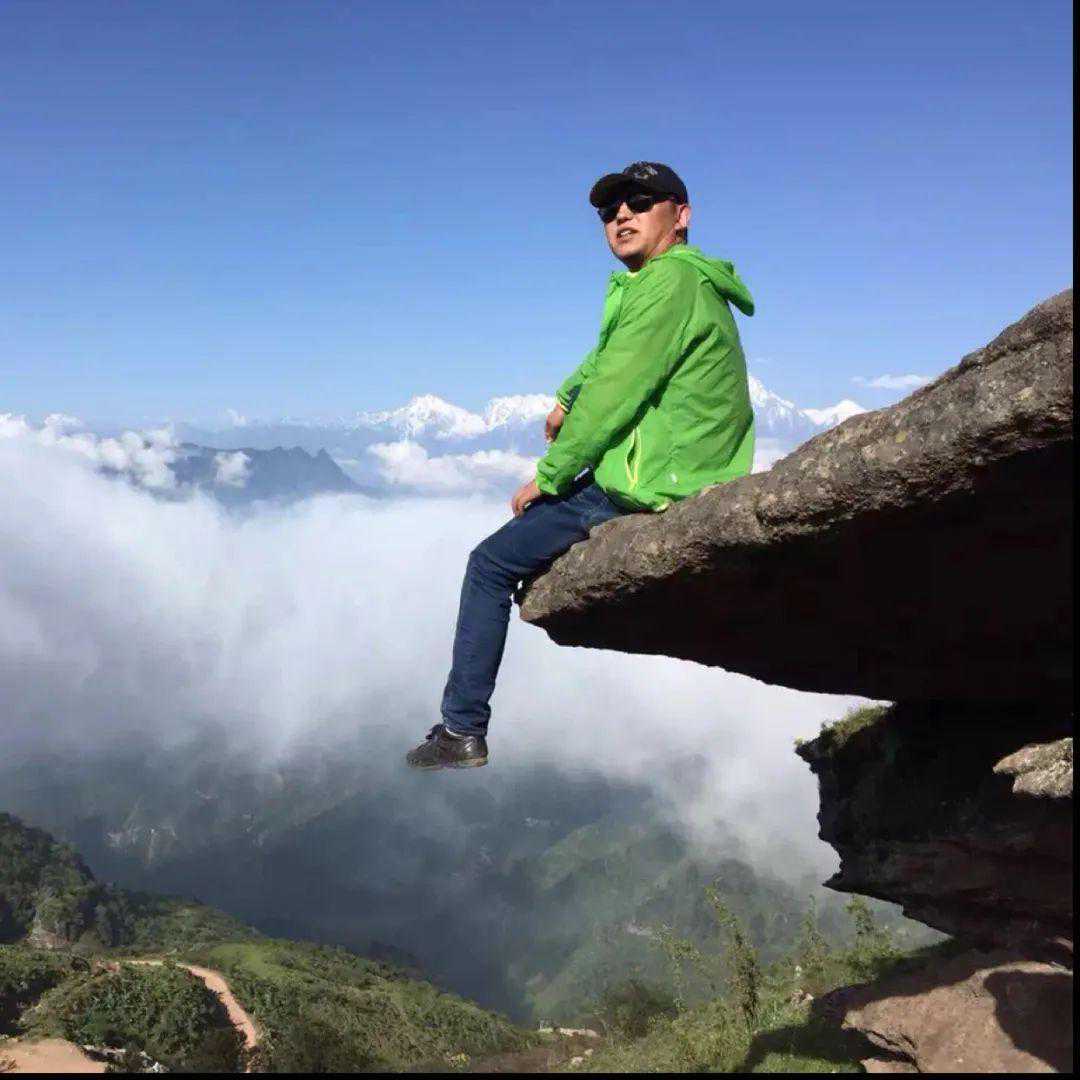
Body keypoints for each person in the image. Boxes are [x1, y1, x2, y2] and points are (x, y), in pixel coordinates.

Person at [406, 162, 756, 770]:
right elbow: (610, 356)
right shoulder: (672, 282)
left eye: (640, 202)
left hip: (655, 480)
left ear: (681, 215)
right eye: (609, 209)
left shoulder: (669, 283)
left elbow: (615, 391)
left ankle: (461, 730)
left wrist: (550, 477)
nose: (621, 215)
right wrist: (567, 397)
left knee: (488, 565)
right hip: (675, 464)